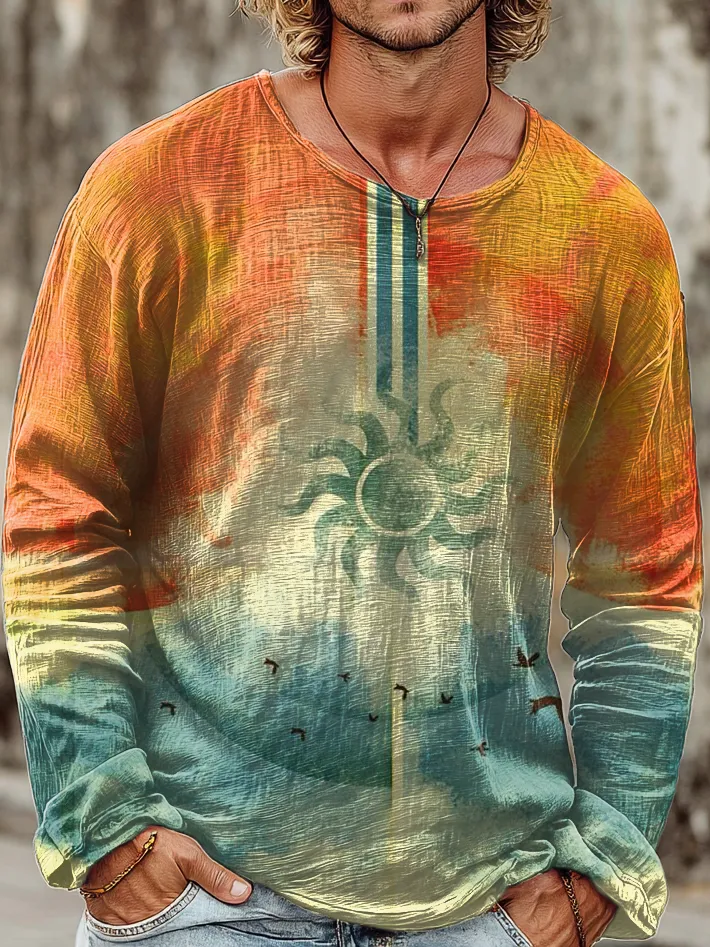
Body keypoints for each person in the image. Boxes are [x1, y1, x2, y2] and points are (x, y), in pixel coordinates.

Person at [2, 0, 703, 945]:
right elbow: (57, 512)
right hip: (203, 901)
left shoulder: (605, 233)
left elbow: (647, 578)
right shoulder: (158, 189)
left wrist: (603, 858)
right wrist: (105, 823)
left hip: (492, 907)